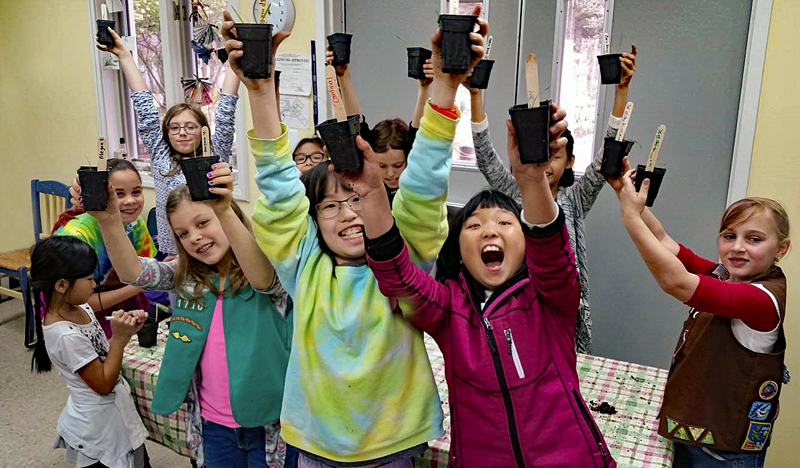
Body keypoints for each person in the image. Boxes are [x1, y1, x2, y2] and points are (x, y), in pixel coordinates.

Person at [225, 9, 487, 467]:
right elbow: (278, 185)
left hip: (393, 443)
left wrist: (445, 85)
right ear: (313, 221)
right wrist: (262, 91)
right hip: (317, 446)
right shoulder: (304, 262)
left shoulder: (403, 259)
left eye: (357, 199)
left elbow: (424, 181)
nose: (347, 214)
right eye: (329, 205)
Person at [361, 103, 615, 466]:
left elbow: (551, 248)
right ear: (460, 253)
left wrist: (530, 181)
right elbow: (397, 277)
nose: (490, 230)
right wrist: (371, 198)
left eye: (505, 223)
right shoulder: (448, 310)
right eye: (475, 225)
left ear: (526, 243)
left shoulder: (552, 300)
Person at [70, 164, 295, 468]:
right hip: (212, 425)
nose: (196, 237)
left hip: (272, 426)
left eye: (204, 222)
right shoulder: (186, 276)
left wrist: (224, 210)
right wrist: (109, 221)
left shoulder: (270, 272)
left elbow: (263, 280)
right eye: (183, 233)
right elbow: (133, 272)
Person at [470, 44, 639, 354]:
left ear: (571, 161)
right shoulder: (513, 193)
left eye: (555, 155)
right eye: (539, 154)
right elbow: (484, 157)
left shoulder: (574, 200)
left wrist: (620, 93)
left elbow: (607, 155)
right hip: (519, 311)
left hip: (564, 316)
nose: (545, 164)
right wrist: (475, 94)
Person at [617, 173, 790, 467]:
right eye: (729, 236)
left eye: (754, 239)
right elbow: (664, 241)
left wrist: (631, 220)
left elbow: (677, 282)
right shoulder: (726, 276)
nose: (737, 247)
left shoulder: (762, 300)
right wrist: (629, 197)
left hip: (725, 453)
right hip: (696, 434)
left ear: (781, 249)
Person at [97, 26, 241, 256]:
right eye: (174, 127)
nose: (182, 132)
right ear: (166, 133)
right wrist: (124, 55)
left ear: (203, 130)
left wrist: (236, 61)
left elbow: (226, 109)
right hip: (173, 253)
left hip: (216, 249)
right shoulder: (162, 156)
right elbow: (144, 106)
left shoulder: (215, 155)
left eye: (190, 127)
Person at [29, 235, 150, 468]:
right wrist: (120, 339)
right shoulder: (65, 336)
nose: (94, 284)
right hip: (99, 428)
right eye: (88, 278)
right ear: (62, 285)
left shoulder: (81, 307)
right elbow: (103, 384)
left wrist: (127, 329)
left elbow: (101, 351)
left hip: (114, 416)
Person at [57, 158, 155, 337]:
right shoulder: (77, 236)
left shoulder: (136, 223)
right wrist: (142, 285)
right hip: (79, 320)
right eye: (119, 194)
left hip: (123, 310)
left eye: (136, 191)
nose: (130, 201)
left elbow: (146, 266)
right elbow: (75, 303)